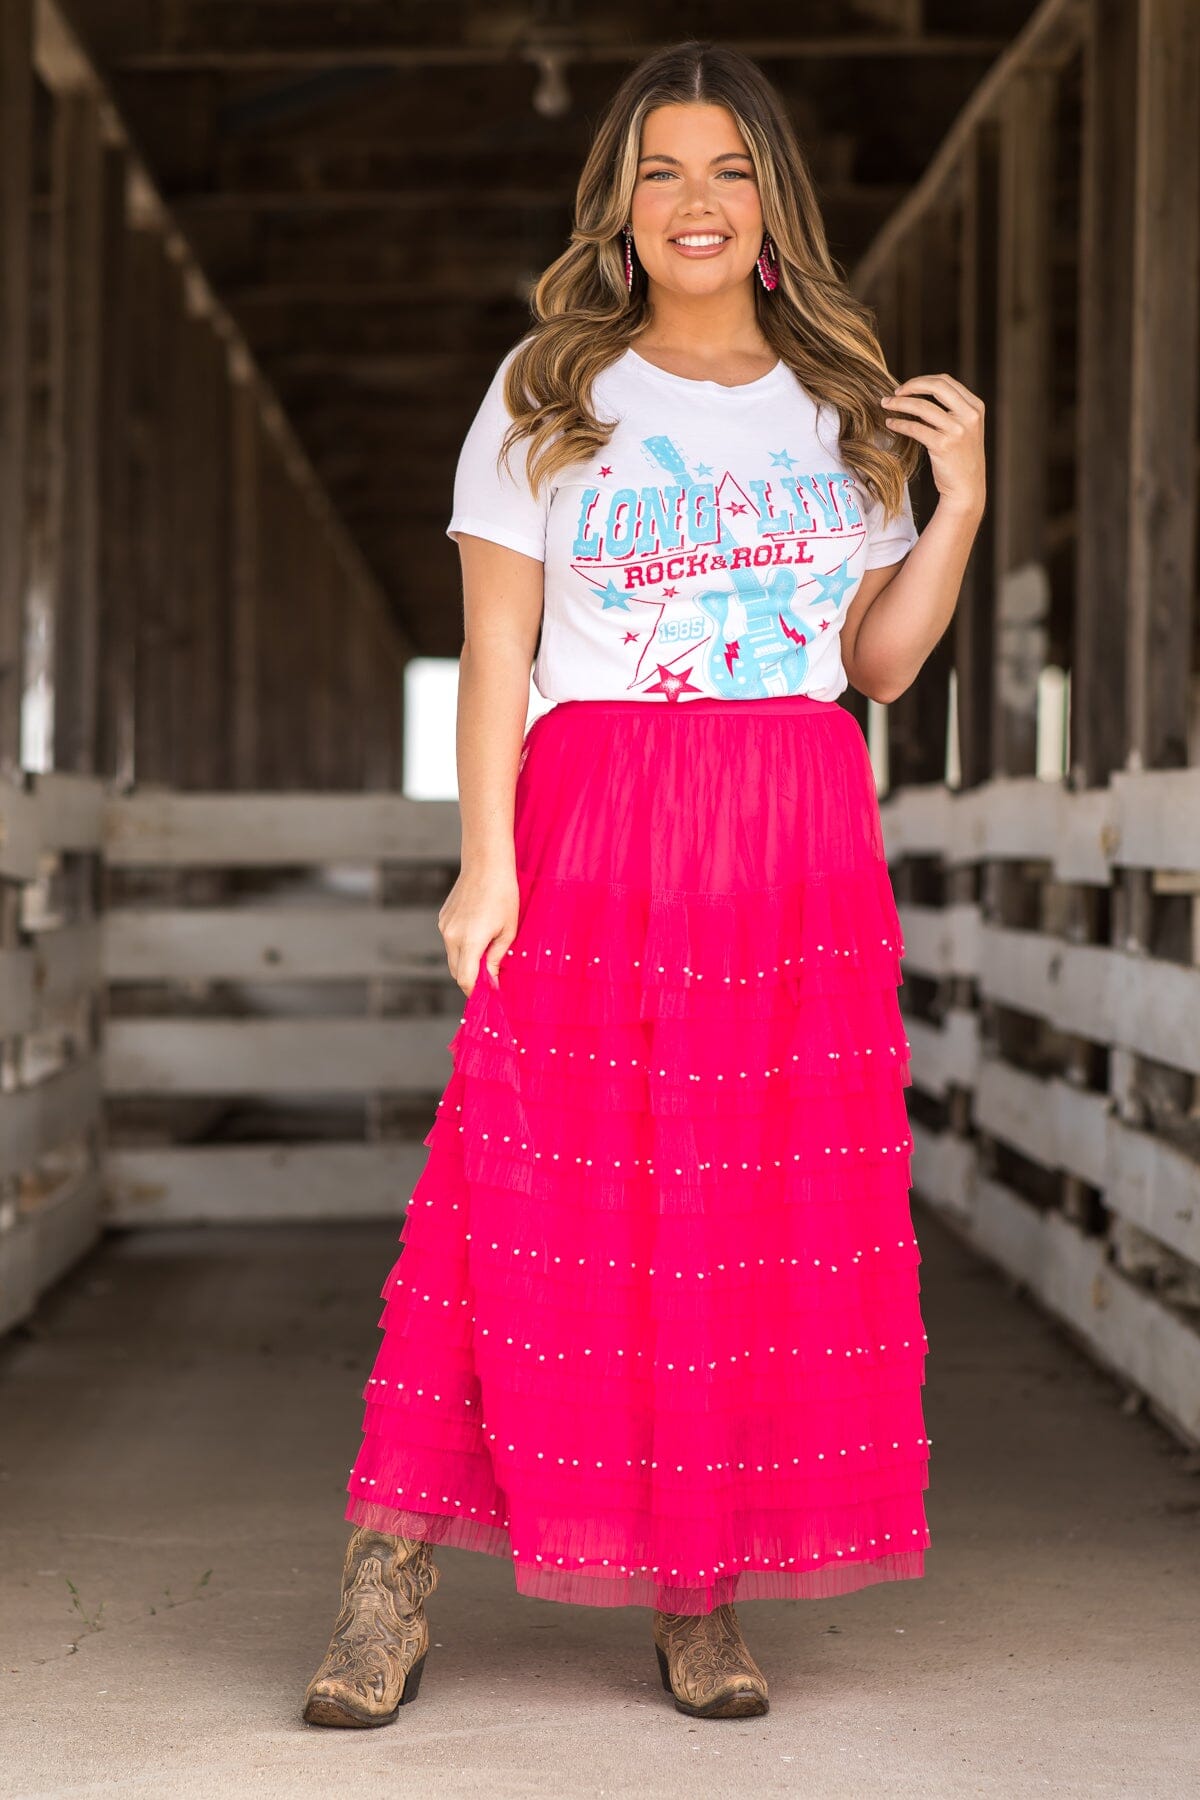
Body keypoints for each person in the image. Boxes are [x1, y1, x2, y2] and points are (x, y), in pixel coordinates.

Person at [302, 37, 986, 1728]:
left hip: (792, 842)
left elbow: (879, 663)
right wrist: (486, 864)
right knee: (508, 1192)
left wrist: (956, 502)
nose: (696, 200)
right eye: (662, 170)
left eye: (729, 170)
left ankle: (701, 1596)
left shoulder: (839, 398)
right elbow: (492, 652)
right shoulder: (553, 388)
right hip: (603, 816)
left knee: (740, 1218)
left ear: (773, 207)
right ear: (617, 207)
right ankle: (386, 1585)